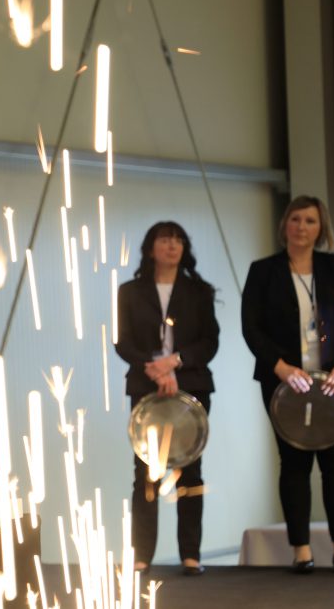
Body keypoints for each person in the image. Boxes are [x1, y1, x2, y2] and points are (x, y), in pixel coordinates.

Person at [241, 195, 334, 574]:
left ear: (321, 228)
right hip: (285, 381)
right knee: (294, 462)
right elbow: (251, 327)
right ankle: (301, 550)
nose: (302, 227)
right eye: (295, 219)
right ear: (285, 225)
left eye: (310, 221)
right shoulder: (263, 270)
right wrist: (279, 367)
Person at [115, 221, 218, 577]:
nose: (171, 246)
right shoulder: (129, 291)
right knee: (145, 471)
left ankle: (191, 554)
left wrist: (175, 362)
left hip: (191, 386)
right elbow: (122, 340)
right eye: (164, 239)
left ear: (184, 248)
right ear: (150, 248)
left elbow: (210, 341)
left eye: (178, 240)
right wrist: (154, 369)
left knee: (190, 470)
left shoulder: (199, 291)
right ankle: (141, 555)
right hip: (146, 387)